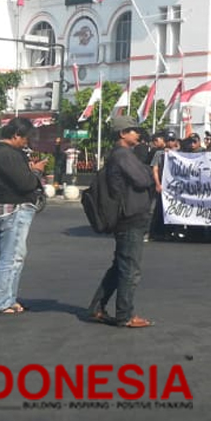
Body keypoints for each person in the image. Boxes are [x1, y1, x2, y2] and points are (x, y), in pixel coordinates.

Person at [87, 117, 158, 327]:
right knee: (130, 268)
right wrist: (146, 170)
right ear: (122, 133)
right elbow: (143, 180)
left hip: (126, 215)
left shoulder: (120, 154)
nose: (138, 134)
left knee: (120, 265)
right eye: (133, 131)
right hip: (130, 216)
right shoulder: (123, 155)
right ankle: (125, 314)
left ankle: (96, 307)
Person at [0, 117, 48, 315]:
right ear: (16, 135)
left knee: (12, 256)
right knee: (10, 258)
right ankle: (0, 302)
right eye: (25, 139)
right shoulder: (9, 155)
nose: (26, 143)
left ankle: (8, 299)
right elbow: (25, 183)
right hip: (13, 209)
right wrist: (35, 172)